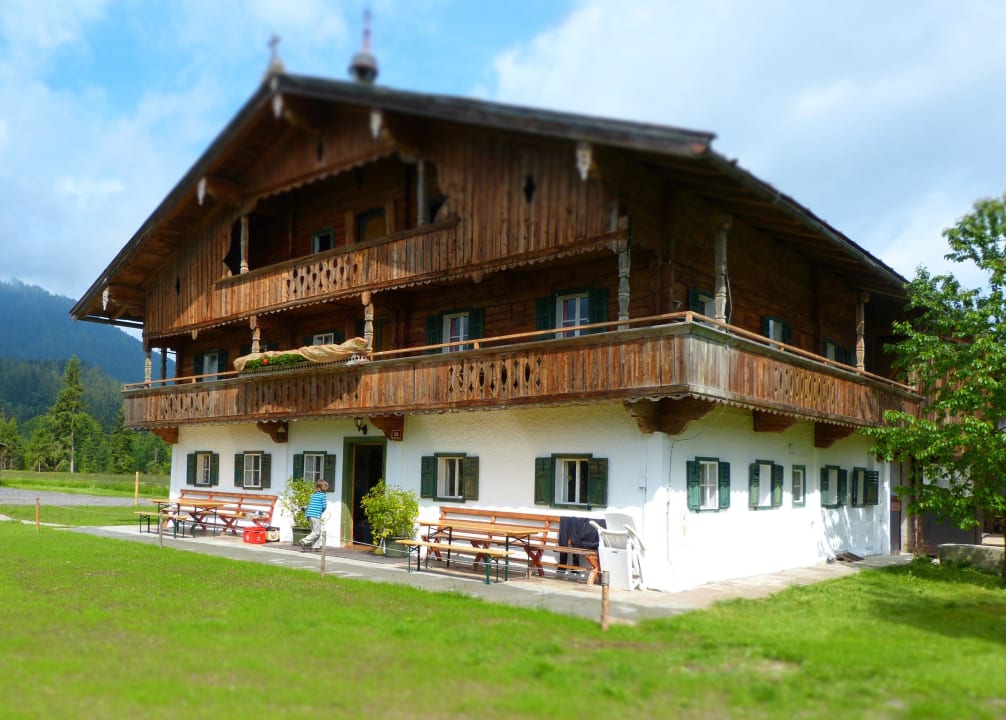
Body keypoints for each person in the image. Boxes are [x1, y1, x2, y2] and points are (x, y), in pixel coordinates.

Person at [299, 480, 329, 551]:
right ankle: (304, 541)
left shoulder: (313, 495)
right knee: (316, 532)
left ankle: (315, 547)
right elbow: (324, 506)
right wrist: (321, 511)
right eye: (326, 486)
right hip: (316, 515)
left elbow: (310, 504)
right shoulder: (323, 496)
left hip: (309, 515)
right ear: (323, 487)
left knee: (315, 531)